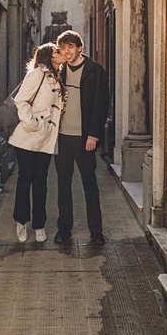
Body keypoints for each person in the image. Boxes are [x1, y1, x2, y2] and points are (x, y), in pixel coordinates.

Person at [53, 30, 109, 246]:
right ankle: (63, 230)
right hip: (62, 137)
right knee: (63, 184)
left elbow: (101, 104)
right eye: (63, 48)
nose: (66, 52)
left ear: (79, 48)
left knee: (89, 184)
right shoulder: (58, 71)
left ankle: (96, 232)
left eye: (70, 47)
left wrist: (93, 134)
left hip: (85, 137)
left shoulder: (95, 71)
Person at [8, 43, 67, 243]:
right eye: (57, 51)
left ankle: (39, 225)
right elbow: (21, 100)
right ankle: (21, 221)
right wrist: (31, 123)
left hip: (46, 138)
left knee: (41, 181)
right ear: (49, 56)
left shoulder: (58, 77)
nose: (61, 53)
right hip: (27, 136)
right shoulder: (37, 74)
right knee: (26, 179)